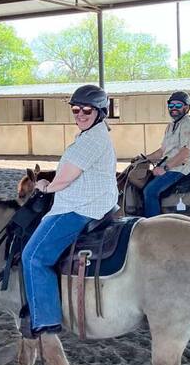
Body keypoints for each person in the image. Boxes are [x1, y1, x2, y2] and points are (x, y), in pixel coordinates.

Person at [20, 84, 119, 338]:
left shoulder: (91, 140)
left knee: (32, 256)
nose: (80, 114)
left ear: (100, 111)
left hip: (80, 207)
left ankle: (46, 320)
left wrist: (45, 186)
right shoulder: (92, 135)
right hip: (95, 201)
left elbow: (64, 179)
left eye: (87, 110)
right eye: (76, 110)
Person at [142, 91, 190, 217]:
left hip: (179, 168)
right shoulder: (170, 126)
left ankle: (153, 224)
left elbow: (184, 153)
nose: (174, 108)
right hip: (168, 165)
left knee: (150, 191)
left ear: (187, 108)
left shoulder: (188, 126)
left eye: (178, 105)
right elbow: (162, 151)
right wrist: (143, 159)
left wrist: (164, 168)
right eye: (171, 105)